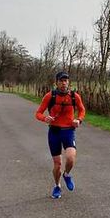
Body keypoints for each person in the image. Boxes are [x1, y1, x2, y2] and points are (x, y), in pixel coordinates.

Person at [35, 71, 85, 199]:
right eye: (61, 81)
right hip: (54, 131)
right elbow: (38, 113)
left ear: (68, 82)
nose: (64, 83)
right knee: (57, 165)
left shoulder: (74, 96)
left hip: (68, 131)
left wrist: (78, 120)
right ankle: (57, 186)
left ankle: (67, 175)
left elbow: (82, 110)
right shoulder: (49, 96)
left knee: (70, 158)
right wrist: (45, 118)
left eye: (66, 81)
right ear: (56, 82)